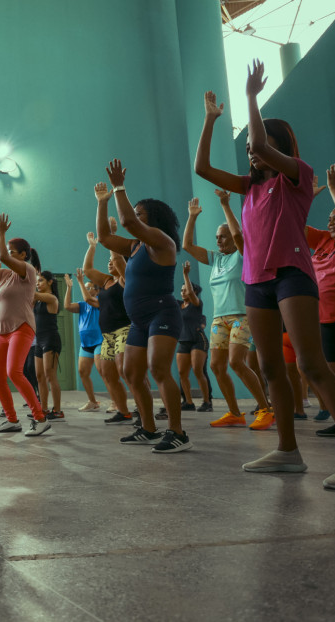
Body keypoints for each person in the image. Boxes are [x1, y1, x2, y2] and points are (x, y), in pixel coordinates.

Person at [193, 74, 335, 488]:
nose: (252, 154)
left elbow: (263, 144)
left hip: (292, 277)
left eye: (258, 147)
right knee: (267, 367)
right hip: (255, 282)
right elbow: (202, 168)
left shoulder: (297, 176)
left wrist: (250, 97)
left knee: (312, 366)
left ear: (280, 148)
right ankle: (287, 451)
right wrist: (210, 120)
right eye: (247, 150)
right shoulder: (249, 188)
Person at [95, 159, 191, 453]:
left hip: (162, 312)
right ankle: (148, 428)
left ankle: (177, 432)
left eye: (140, 214)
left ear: (153, 220)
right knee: (132, 374)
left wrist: (118, 187)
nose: (133, 217)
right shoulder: (136, 246)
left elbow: (126, 223)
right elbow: (105, 237)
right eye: (133, 212)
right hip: (138, 321)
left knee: (159, 369)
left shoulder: (162, 242)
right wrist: (102, 203)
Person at [182, 192, 272, 428]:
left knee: (236, 362)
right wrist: (192, 217)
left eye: (222, 237)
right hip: (219, 319)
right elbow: (187, 245)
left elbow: (237, 234)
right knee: (215, 366)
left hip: (242, 316)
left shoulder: (244, 256)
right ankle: (234, 413)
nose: (219, 240)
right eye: (216, 237)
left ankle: (265, 408)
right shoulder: (216, 259)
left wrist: (225, 205)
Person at [0, 222, 52, 438]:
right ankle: (11, 420)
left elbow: (2, 258)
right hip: (2, 332)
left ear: (23, 255)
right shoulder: (3, 275)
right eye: (7, 251)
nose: (7, 255)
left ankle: (40, 418)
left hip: (22, 327)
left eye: (12, 252)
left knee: (14, 372)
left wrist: (1, 234)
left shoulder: (27, 271)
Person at [303, 163, 335, 449]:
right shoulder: (322, 241)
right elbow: (293, 223)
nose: (332, 223)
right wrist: (307, 198)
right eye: (329, 219)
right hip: (327, 320)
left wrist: (334, 189)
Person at [83, 230, 134, 423]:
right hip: (107, 335)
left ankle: (140, 408)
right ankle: (124, 411)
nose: (110, 262)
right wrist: (92, 246)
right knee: (107, 372)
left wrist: (110, 235)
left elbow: (118, 259)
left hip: (124, 329)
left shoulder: (125, 279)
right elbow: (87, 270)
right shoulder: (106, 282)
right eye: (109, 261)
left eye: (113, 260)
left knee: (125, 371)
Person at [64, 271, 104, 412]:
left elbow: (89, 300)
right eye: (85, 288)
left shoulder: (100, 302)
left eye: (89, 288)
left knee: (103, 371)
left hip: (100, 341)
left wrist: (81, 281)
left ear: (97, 290)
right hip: (86, 344)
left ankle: (116, 403)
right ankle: (92, 402)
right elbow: (67, 306)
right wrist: (69, 287)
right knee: (82, 372)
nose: (86, 290)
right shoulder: (82, 305)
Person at [177, 263, 213, 414]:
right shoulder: (179, 305)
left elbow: (191, 293)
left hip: (198, 341)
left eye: (186, 289)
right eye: (181, 290)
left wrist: (186, 275)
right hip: (183, 341)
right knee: (182, 373)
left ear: (194, 291)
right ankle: (188, 402)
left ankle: (206, 402)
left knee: (198, 370)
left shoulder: (196, 303)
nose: (183, 292)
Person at [34, 271, 64, 421]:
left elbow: (32, 295)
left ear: (50, 282)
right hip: (39, 340)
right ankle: (43, 408)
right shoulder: (38, 300)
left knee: (50, 376)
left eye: (40, 281)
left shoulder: (51, 298)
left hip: (50, 340)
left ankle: (57, 410)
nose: (37, 284)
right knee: (39, 376)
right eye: (37, 281)